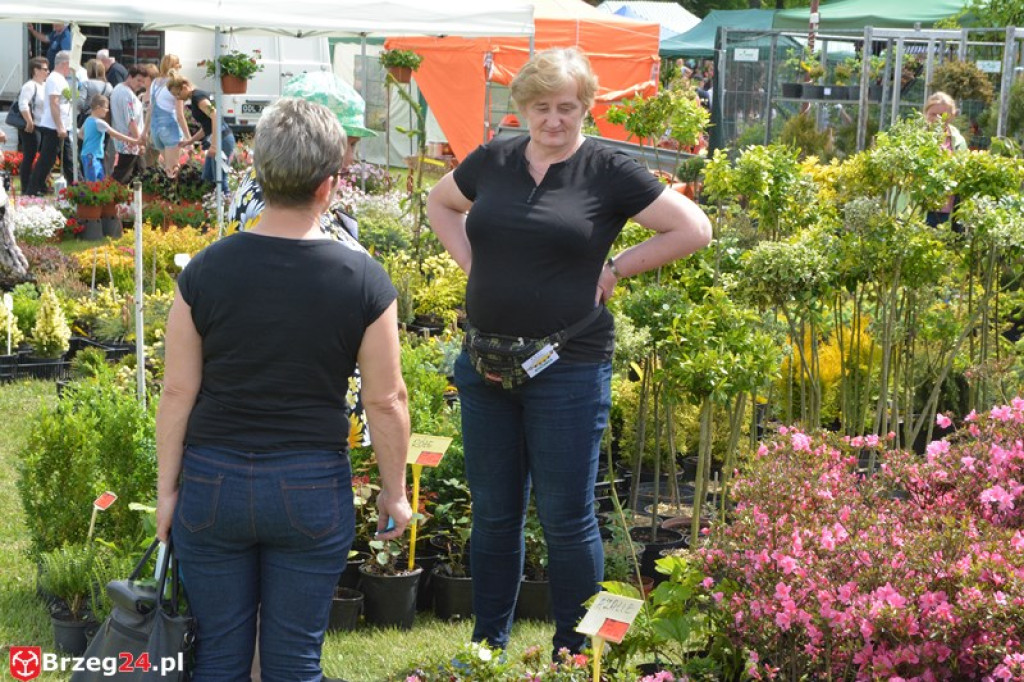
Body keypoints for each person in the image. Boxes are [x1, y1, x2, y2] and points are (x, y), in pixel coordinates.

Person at [426, 47, 712, 656]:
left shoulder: (607, 168)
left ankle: (576, 652)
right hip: (485, 365)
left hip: (568, 367)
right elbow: (440, 202)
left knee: (567, 516)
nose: (553, 120)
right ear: (522, 108)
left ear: (585, 107)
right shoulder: (496, 157)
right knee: (495, 515)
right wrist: (472, 263)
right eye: (540, 107)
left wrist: (617, 267)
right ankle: (486, 646)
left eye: (566, 107)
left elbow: (693, 228)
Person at [155, 97, 412, 681]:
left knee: (218, 656)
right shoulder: (364, 279)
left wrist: (167, 490)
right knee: (294, 662)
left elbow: (177, 392)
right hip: (311, 482)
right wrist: (394, 493)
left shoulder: (203, 271)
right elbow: (385, 399)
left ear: (257, 172)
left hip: (212, 479)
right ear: (330, 184)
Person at [166, 75, 235, 192]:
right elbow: (206, 127)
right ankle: (211, 205)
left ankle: (226, 207)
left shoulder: (198, 97)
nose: (178, 98)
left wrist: (214, 146)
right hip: (218, 139)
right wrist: (190, 141)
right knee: (207, 177)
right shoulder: (197, 97)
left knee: (219, 181)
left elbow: (215, 116)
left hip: (221, 140)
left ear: (184, 87)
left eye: (177, 94)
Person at [26, 50, 74, 196]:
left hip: (61, 126)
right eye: (71, 65)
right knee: (47, 160)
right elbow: (54, 103)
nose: (72, 69)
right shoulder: (54, 78)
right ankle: (32, 190)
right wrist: (60, 126)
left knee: (68, 159)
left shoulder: (61, 79)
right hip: (54, 127)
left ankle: (76, 188)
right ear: (65, 63)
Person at [924, 91, 967, 228]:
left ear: (952, 115)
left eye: (943, 115)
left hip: (949, 204)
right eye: (933, 114)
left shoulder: (958, 140)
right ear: (925, 113)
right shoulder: (916, 137)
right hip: (920, 205)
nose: (938, 119)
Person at [143, 55, 189, 176]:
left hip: (155, 129)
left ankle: (165, 192)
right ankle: (173, 194)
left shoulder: (155, 83)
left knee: (168, 167)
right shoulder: (175, 84)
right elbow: (180, 115)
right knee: (173, 170)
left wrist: (144, 132)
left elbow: (150, 109)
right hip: (170, 128)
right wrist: (189, 138)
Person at [79, 95, 139, 181]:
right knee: (94, 182)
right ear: (98, 107)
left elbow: (80, 134)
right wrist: (134, 140)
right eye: (106, 108)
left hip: (87, 154)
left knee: (96, 180)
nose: (107, 111)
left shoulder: (88, 120)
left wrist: (90, 140)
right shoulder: (99, 122)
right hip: (93, 156)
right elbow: (116, 134)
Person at [109, 64, 151, 184]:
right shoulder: (127, 94)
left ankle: (137, 199)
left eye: (143, 82)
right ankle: (106, 196)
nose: (141, 84)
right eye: (138, 80)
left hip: (128, 142)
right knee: (122, 175)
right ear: (130, 77)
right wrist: (139, 141)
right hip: (130, 142)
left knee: (140, 174)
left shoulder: (118, 89)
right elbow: (131, 120)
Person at [15, 57, 49, 193]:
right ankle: (26, 187)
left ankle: (39, 184)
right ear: (35, 70)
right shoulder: (29, 85)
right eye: (45, 69)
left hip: (43, 125)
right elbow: (23, 104)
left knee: (43, 156)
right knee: (30, 155)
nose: (48, 72)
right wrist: (29, 121)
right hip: (32, 126)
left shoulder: (45, 85)